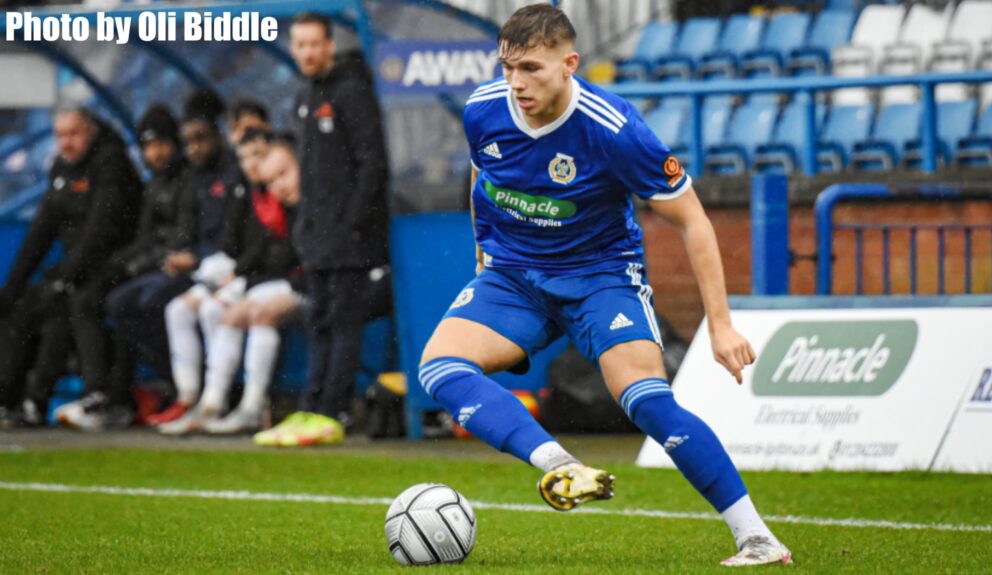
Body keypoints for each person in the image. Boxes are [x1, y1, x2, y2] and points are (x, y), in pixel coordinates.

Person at [417, 5, 791, 567]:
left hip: (602, 278)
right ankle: (559, 465)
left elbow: (694, 220)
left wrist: (721, 326)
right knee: (439, 368)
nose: (516, 83)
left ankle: (757, 537)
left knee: (645, 400)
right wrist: (482, 251)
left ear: (569, 64)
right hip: (515, 275)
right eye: (508, 67)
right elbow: (483, 175)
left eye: (532, 69)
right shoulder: (482, 109)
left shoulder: (614, 129)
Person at [258, 12, 390, 445]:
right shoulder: (304, 96)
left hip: (349, 238)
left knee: (342, 320)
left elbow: (373, 163)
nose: (308, 52)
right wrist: (307, 228)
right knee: (318, 320)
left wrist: (353, 221)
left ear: (330, 45)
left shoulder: (352, 92)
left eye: (315, 44)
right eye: (300, 45)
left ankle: (334, 410)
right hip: (316, 236)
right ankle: (310, 407)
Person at [0, 106, 141, 428]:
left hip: (113, 265)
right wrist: (13, 286)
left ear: (90, 131)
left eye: (73, 134)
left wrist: (65, 277)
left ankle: (77, 398)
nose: (67, 142)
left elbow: (101, 231)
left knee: (68, 305)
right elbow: (41, 231)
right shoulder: (62, 169)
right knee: (17, 307)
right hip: (74, 268)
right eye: (61, 135)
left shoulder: (111, 163)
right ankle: (9, 400)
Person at [56, 104, 190, 430]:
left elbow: (182, 237)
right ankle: (108, 396)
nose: (155, 153)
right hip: (150, 268)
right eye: (148, 145)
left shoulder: (186, 181)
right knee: (101, 299)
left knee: (129, 303)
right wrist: (123, 266)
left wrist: (132, 266)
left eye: (161, 144)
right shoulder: (154, 184)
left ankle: (174, 391)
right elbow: (145, 238)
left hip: (178, 270)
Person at [161, 135, 305, 436]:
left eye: (259, 155)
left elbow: (283, 255)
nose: (253, 164)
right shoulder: (249, 194)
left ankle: (248, 405)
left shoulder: (291, 200)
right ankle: (205, 402)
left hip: (292, 284)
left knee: (228, 311)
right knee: (188, 310)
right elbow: (237, 242)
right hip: (256, 279)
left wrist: (240, 276)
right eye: (244, 157)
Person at [152, 89, 250, 426]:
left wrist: (199, 261)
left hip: (235, 270)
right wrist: (184, 255)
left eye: (201, 139)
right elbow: (188, 226)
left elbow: (240, 236)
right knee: (176, 309)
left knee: (212, 310)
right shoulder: (197, 177)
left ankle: (215, 400)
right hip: (208, 268)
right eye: (188, 142)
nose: (194, 148)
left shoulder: (238, 172)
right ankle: (188, 396)